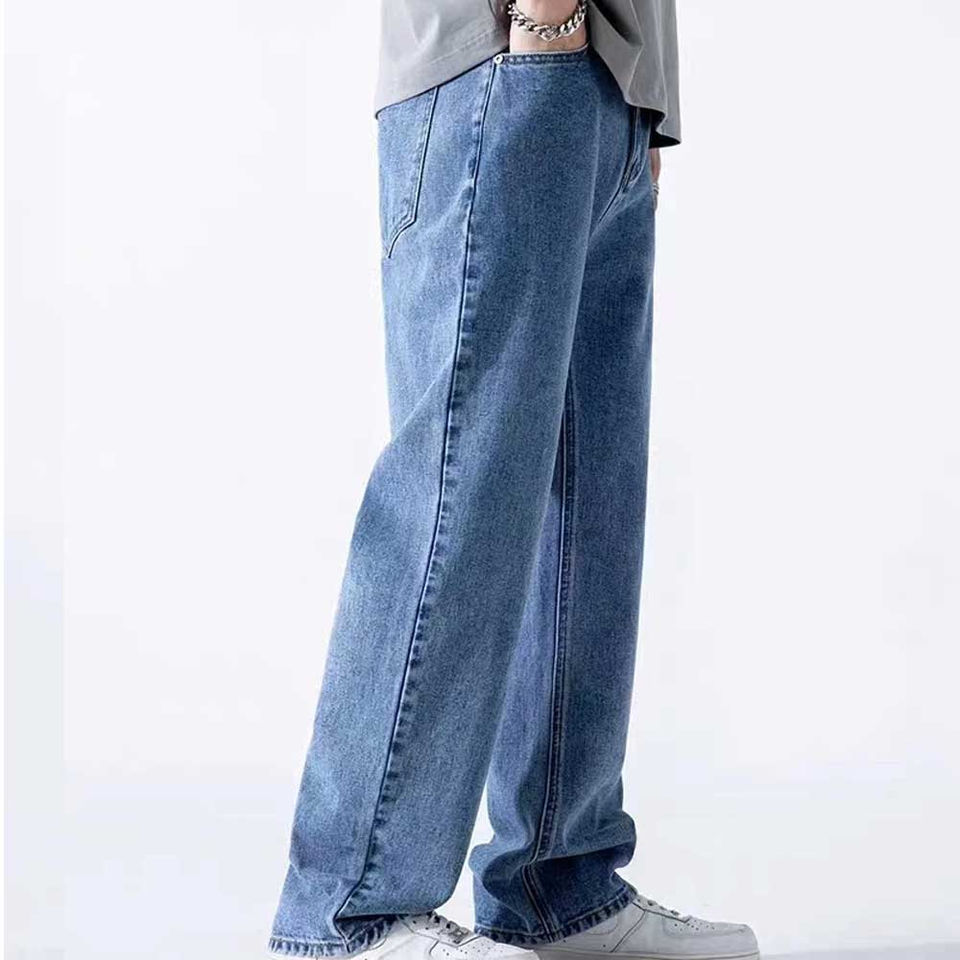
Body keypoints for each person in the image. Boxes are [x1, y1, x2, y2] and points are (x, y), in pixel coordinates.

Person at [269, 2, 758, 959]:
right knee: (459, 495)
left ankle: (557, 887)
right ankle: (349, 916)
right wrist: (545, 18)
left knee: (588, 510)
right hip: (512, 55)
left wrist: (642, 105)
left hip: (606, 84)